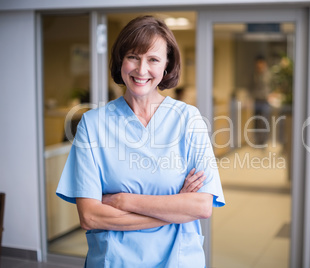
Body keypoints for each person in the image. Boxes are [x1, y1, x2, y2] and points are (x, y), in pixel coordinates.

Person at [56, 15, 225, 267]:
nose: (141, 69)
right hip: (114, 261)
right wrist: (174, 212)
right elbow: (90, 216)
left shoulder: (188, 119)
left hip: (178, 260)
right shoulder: (93, 125)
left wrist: (124, 201)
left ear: (166, 65)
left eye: (153, 59)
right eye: (133, 57)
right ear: (120, 60)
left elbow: (201, 206)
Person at [249, 55, 271, 146]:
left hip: (265, 100)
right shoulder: (254, 74)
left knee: (264, 121)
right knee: (256, 121)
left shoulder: (268, 74)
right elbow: (251, 87)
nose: (259, 66)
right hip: (256, 100)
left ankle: (263, 141)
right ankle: (257, 141)